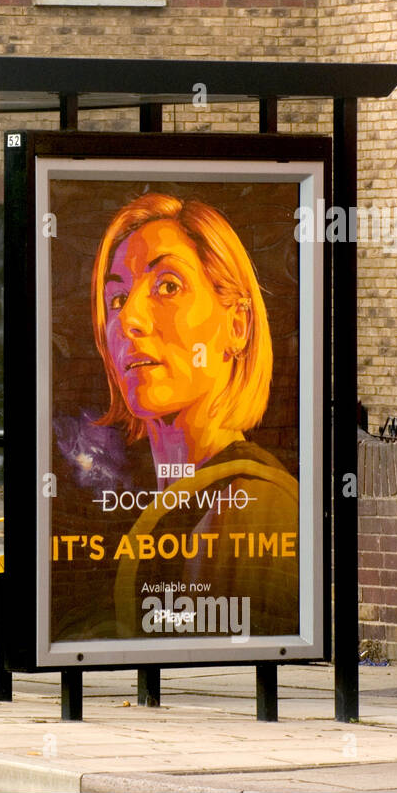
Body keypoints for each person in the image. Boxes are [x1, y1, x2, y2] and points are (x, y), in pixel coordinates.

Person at [87, 192, 300, 638]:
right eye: (117, 298)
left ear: (237, 325)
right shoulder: (179, 499)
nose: (129, 319)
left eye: (168, 286)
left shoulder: (254, 505)